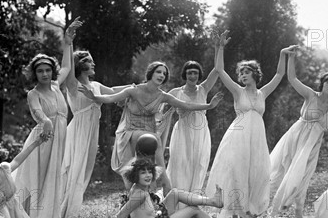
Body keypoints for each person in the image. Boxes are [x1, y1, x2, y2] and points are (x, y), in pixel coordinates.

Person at [81, 61, 223, 193]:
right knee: (130, 177)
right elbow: (110, 98)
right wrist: (94, 97)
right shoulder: (134, 90)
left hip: (149, 135)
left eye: (164, 74)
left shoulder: (163, 96)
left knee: (149, 170)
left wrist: (209, 106)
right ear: (150, 73)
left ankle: (163, 190)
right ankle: (150, 191)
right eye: (158, 72)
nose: (161, 75)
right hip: (129, 133)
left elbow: (186, 105)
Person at [204, 31, 290, 218]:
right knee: (236, 170)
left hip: (257, 138)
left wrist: (283, 54)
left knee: (255, 171)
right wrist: (220, 47)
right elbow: (219, 69)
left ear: (255, 74)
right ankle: (234, 213)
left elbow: (279, 74)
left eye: (246, 72)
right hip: (238, 136)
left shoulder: (263, 93)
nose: (242, 75)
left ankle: (245, 213)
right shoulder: (237, 91)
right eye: (241, 73)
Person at [59, 22, 131, 218]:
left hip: (91, 134)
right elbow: (68, 69)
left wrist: (142, 88)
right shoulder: (73, 85)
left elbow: (116, 92)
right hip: (78, 132)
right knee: (73, 172)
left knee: (84, 174)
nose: (93, 64)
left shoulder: (96, 86)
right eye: (89, 62)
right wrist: (68, 42)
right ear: (81, 65)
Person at [269, 48, 328, 218]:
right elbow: (292, 78)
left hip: (311, 144)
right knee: (283, 169)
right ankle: (269, 208)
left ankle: (298, 213)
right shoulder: (310, 95)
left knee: (304, 174)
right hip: (295, 136)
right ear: (322, 83)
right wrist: (290, 57)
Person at [12, 19, 78, 218]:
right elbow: (39, 114)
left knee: (54, 177)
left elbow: (67, 66)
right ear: (35, 73)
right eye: (40, 71)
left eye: (48, 70)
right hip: (43, 139)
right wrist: (46, 121)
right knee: (36, 178)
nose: (45, 74)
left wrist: (67, 42)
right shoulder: (34, 94)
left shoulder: (56, 86)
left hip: (60, 136)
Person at [115, 158, 239, 218]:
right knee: (193, 209)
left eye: (149, 172)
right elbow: (121, 215)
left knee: (175, 193)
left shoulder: (137, 187)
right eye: (143, 173)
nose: (148, 175)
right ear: (135, 175)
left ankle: (212, 201)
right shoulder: (139, 195)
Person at [162, 56, 219, 194]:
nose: (192, 76)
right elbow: (159, 108)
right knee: (180, 163)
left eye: (195, 73)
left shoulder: (203, 89)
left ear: (199, 75)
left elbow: (217, 70)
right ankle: (176, 198)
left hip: (201, 131)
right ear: (184, 74)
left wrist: (219, 47)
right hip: (183, 131)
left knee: (198, 163)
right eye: (189, 73)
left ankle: (192, 199)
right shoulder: (175, 92)